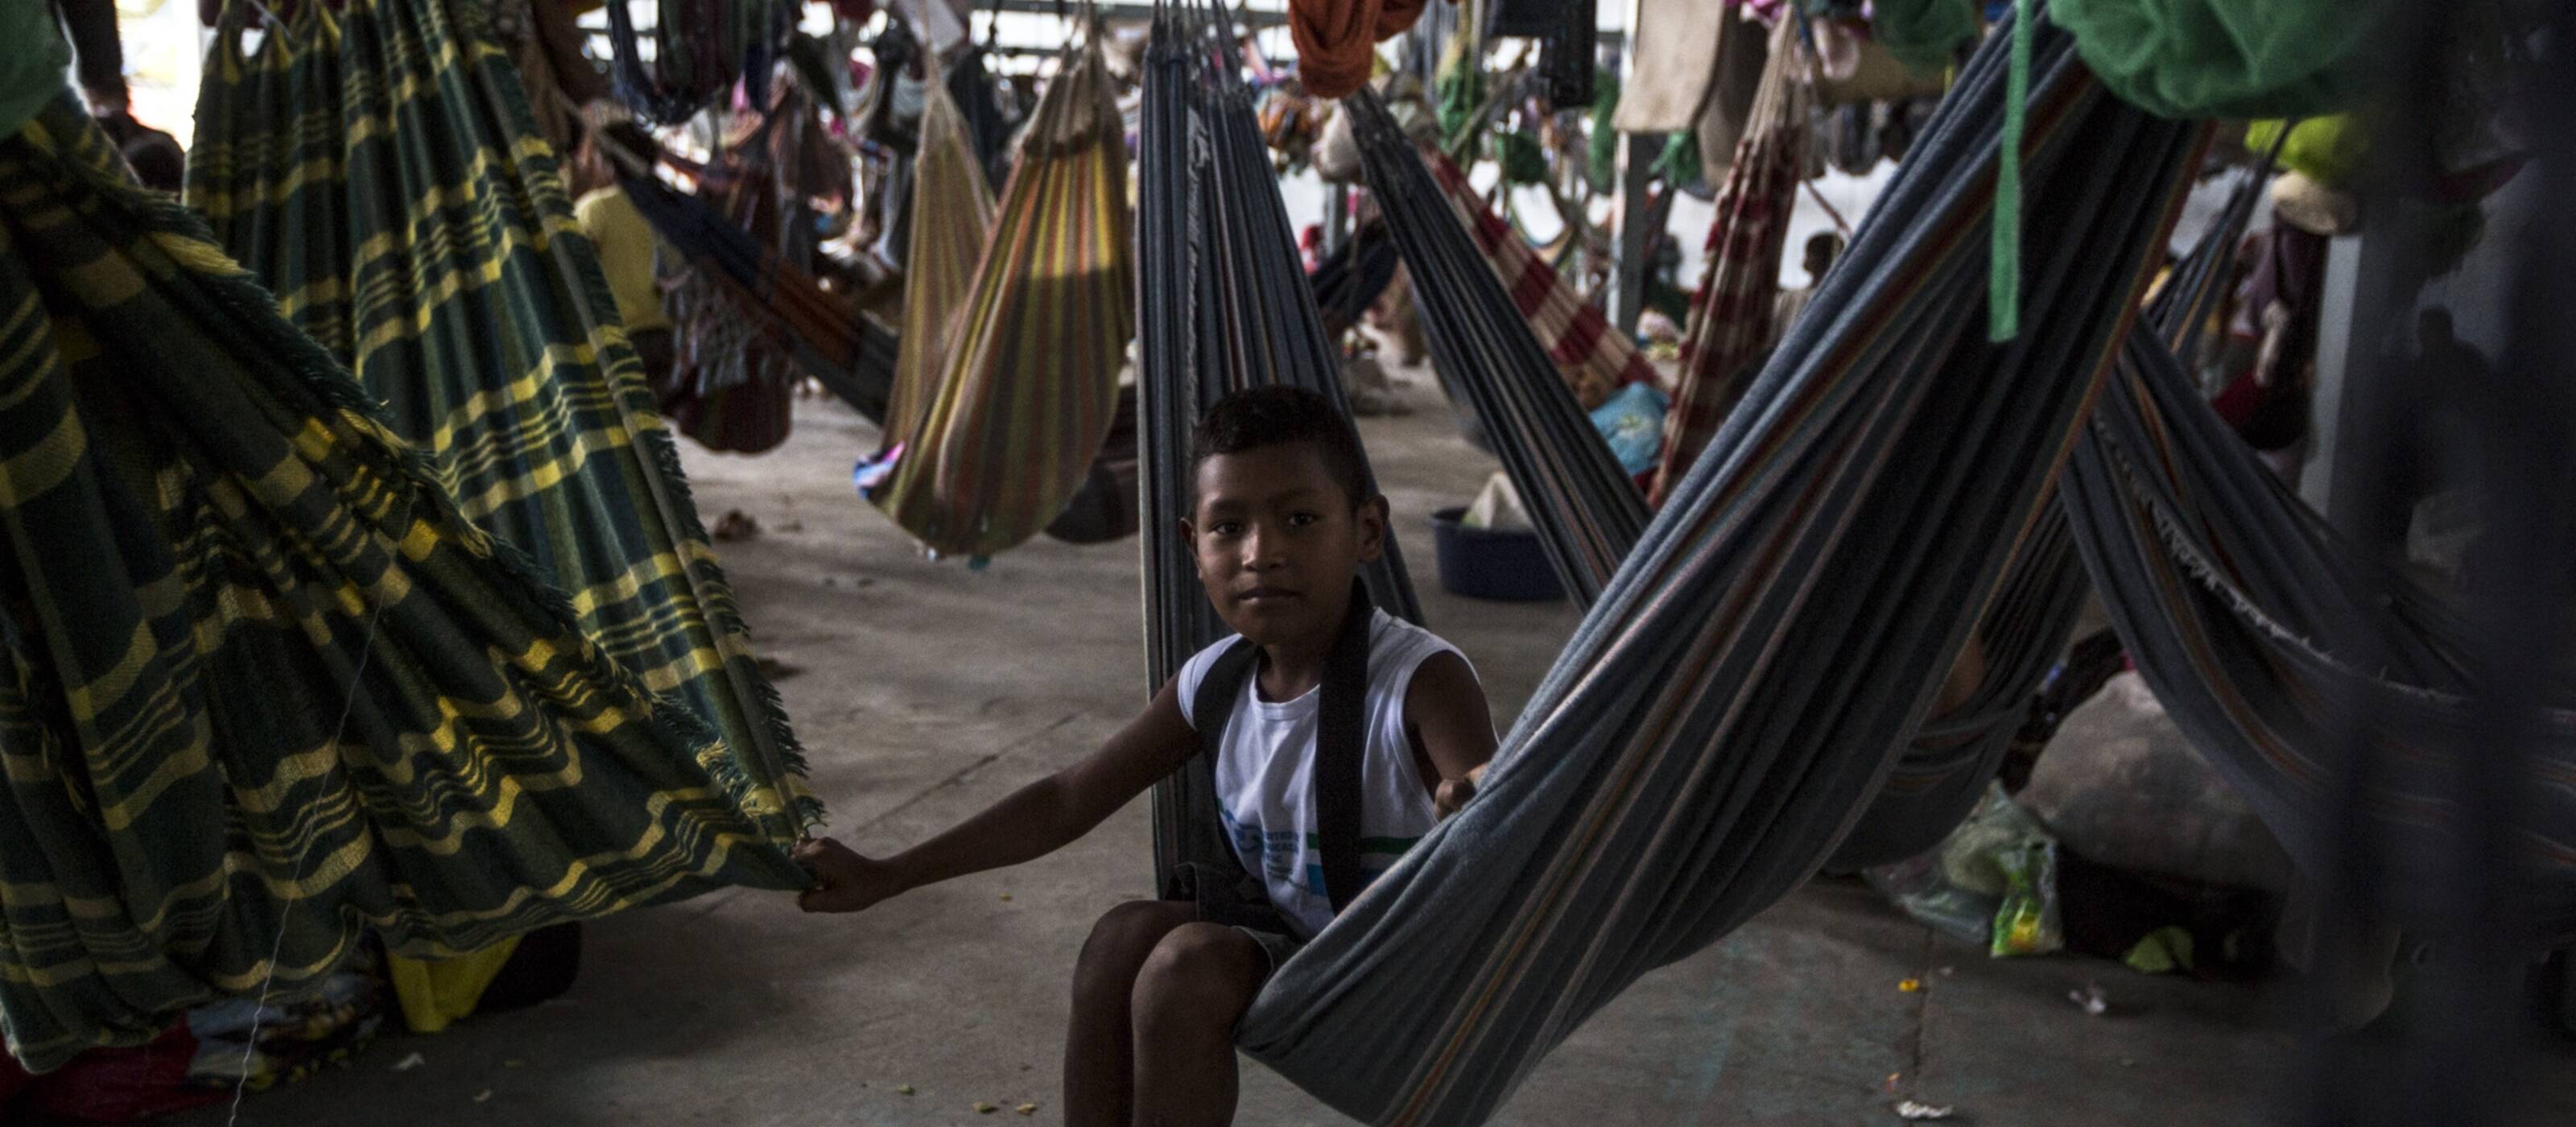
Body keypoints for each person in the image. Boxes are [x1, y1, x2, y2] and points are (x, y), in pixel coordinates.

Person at [796, 386, 1499, 1127]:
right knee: (1119, 941)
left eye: (1299, 519)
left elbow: (1487, 788)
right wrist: (886, 874)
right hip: (1299, 934)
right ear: (1195, 549)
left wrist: (1473, 795)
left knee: (1181, 968)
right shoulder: (1216, 683)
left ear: (1366, 530)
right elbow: (1069, 799)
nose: (1262, 552)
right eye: (1230, 527)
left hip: (1398, 967)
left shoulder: (1420, 678)